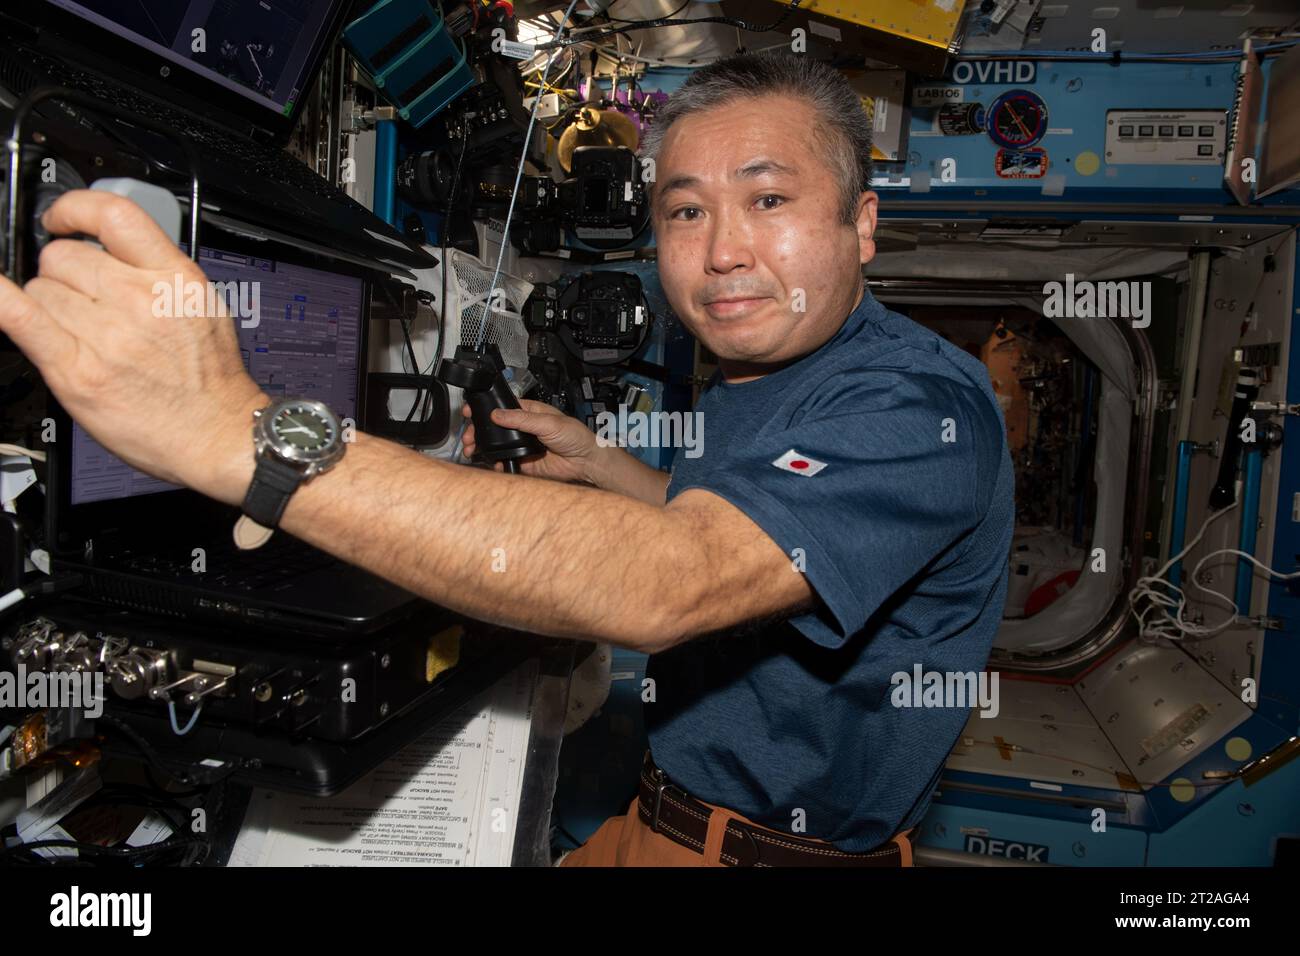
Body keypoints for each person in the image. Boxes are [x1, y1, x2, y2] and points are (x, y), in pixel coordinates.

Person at [0, 51, 1013, 867]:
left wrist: (239, 435)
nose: (722, 251)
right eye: (686, 210)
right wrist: (608, 469)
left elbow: (681, 576)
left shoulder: (916, 405)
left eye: (769, 201)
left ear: (862, 225)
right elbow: (750, 529)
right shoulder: (775, 367)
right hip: (660, 816)